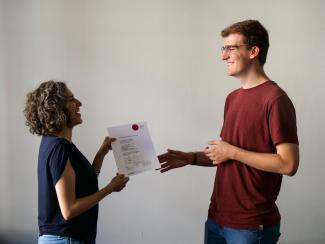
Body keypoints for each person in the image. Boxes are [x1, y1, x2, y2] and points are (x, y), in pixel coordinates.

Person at [158, 20, 299, 244]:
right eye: (223, 49)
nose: (223, 56)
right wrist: (192, 158)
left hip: (251, 226)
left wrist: (232, 152)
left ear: (253, 51)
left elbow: (288, 164)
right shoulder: (232, 98)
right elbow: (226, 154)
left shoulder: (276, 99)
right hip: (217, 220)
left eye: (230, 48)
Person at [24, 80, 129, 244]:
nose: (79, 103)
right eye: (72, 99)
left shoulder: (56, 143)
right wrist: (110, 188)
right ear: (57, 108)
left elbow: (86, 184)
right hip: (65, 239)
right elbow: (69, 210)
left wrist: (101, 154)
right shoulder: (60, 147)